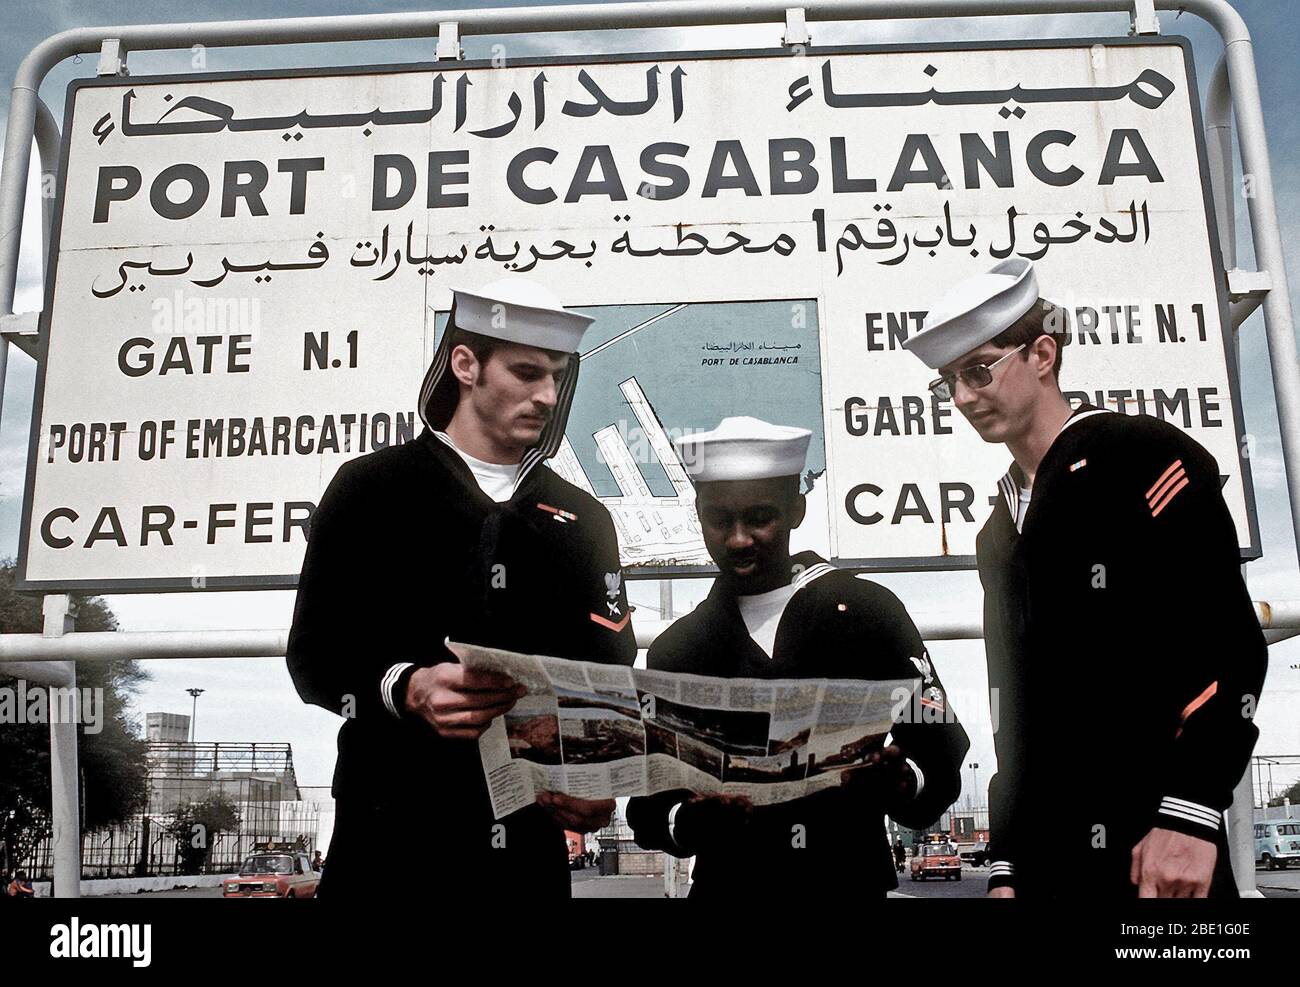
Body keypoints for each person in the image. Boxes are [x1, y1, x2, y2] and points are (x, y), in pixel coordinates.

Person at [901, 258, 1268, 898]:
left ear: (1042, 354)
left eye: (977, 370)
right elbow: (1010, 707)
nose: (961, 398)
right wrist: (1008, 861)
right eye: (947, 382)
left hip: (1155, 848)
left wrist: (1191, 813)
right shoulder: (999, 529)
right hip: (1049, 864)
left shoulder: (1141, 456)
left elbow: (1230, 646)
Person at [288, 278, 637, 898]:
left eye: (558, 376)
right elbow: (314, 655)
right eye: (528, 372)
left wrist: (591, 778)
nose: (548, 395)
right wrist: (406, 685)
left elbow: (608, 666)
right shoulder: (371, 489)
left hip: (524, 840)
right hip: (387, 830)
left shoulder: (582, 518)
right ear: (465, 363)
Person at [626, 416, 968, 898]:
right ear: (699, 516)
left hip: (849, 886)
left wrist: (901, 782)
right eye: (720, 519)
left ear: (796, 510)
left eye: (759, 516)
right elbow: (647, 804)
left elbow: (941, 747)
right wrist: (691, 820)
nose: (739, 538)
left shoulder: (868, 612)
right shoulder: (678, 649)